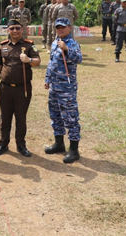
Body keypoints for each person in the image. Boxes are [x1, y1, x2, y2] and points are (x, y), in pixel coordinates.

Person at [0, 19, 40, 157]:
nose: (15, 31)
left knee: (21, 117)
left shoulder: (29, 45)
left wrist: (29, 60)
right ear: (8, 30)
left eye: (17, 28)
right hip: (5, 88)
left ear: (22, 30)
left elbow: (38, 61)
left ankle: (21, 144)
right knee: (5, 117)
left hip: (22, 88)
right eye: (12, 28)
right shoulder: (3, 46)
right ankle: (3, 143)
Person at [43, 17, 83, 163]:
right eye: (58, 28)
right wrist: (47, 79)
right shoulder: (55, 42)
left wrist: (67, 50)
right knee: (55, 115)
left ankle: (74, 150)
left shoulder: (72, 43)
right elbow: (51, 63)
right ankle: (59, 143)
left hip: (67, 88)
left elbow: (79, 59)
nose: (60, 30)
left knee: (70, 118)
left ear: (69, 28)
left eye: (63, 27)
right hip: (54, 87)